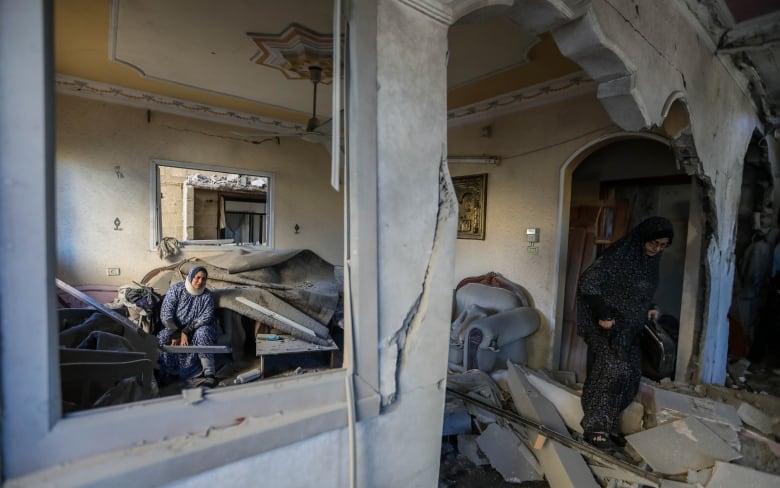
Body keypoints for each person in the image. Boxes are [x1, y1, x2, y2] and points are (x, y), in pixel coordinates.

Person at [576, 216, 674, 450]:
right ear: (643, 239)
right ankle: (594, 429)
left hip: (631, 328)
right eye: (653, 243)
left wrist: (651, 307)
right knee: (611, 373)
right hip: (608, 328)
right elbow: (588, 284)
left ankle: (608, 426)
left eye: (663, 245)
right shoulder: (619, 255)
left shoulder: (650, 262)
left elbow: (640, 292)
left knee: (630, 376)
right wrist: (604, 316)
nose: (657, 249)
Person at [157, 266, 218, 388]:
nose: (200, 281)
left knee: (203, 333)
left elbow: (206, 317)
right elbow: (166, 313)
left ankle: (209, 374)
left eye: (204, 279)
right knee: (163, 336)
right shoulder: (176, 290)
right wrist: (176, 333)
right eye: (197, 277)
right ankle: (167, 373)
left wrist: (186, 331)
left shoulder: (207, 296)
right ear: (191, 276)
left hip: (196, 329)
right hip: (175, 328)